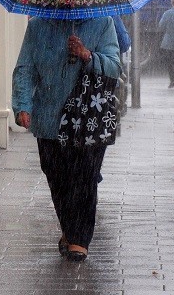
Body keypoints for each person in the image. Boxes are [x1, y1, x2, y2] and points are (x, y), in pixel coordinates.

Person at [12, 16, 122, 262]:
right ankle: (70, 230)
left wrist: (88, 55)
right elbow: (25, 68)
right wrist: (23, 106)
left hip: (88, 120)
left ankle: (79, 240)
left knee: (84, 177)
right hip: (50, 119)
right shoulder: (38, 26)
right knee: (57, 176)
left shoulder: (103, 23)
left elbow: (115, 67)